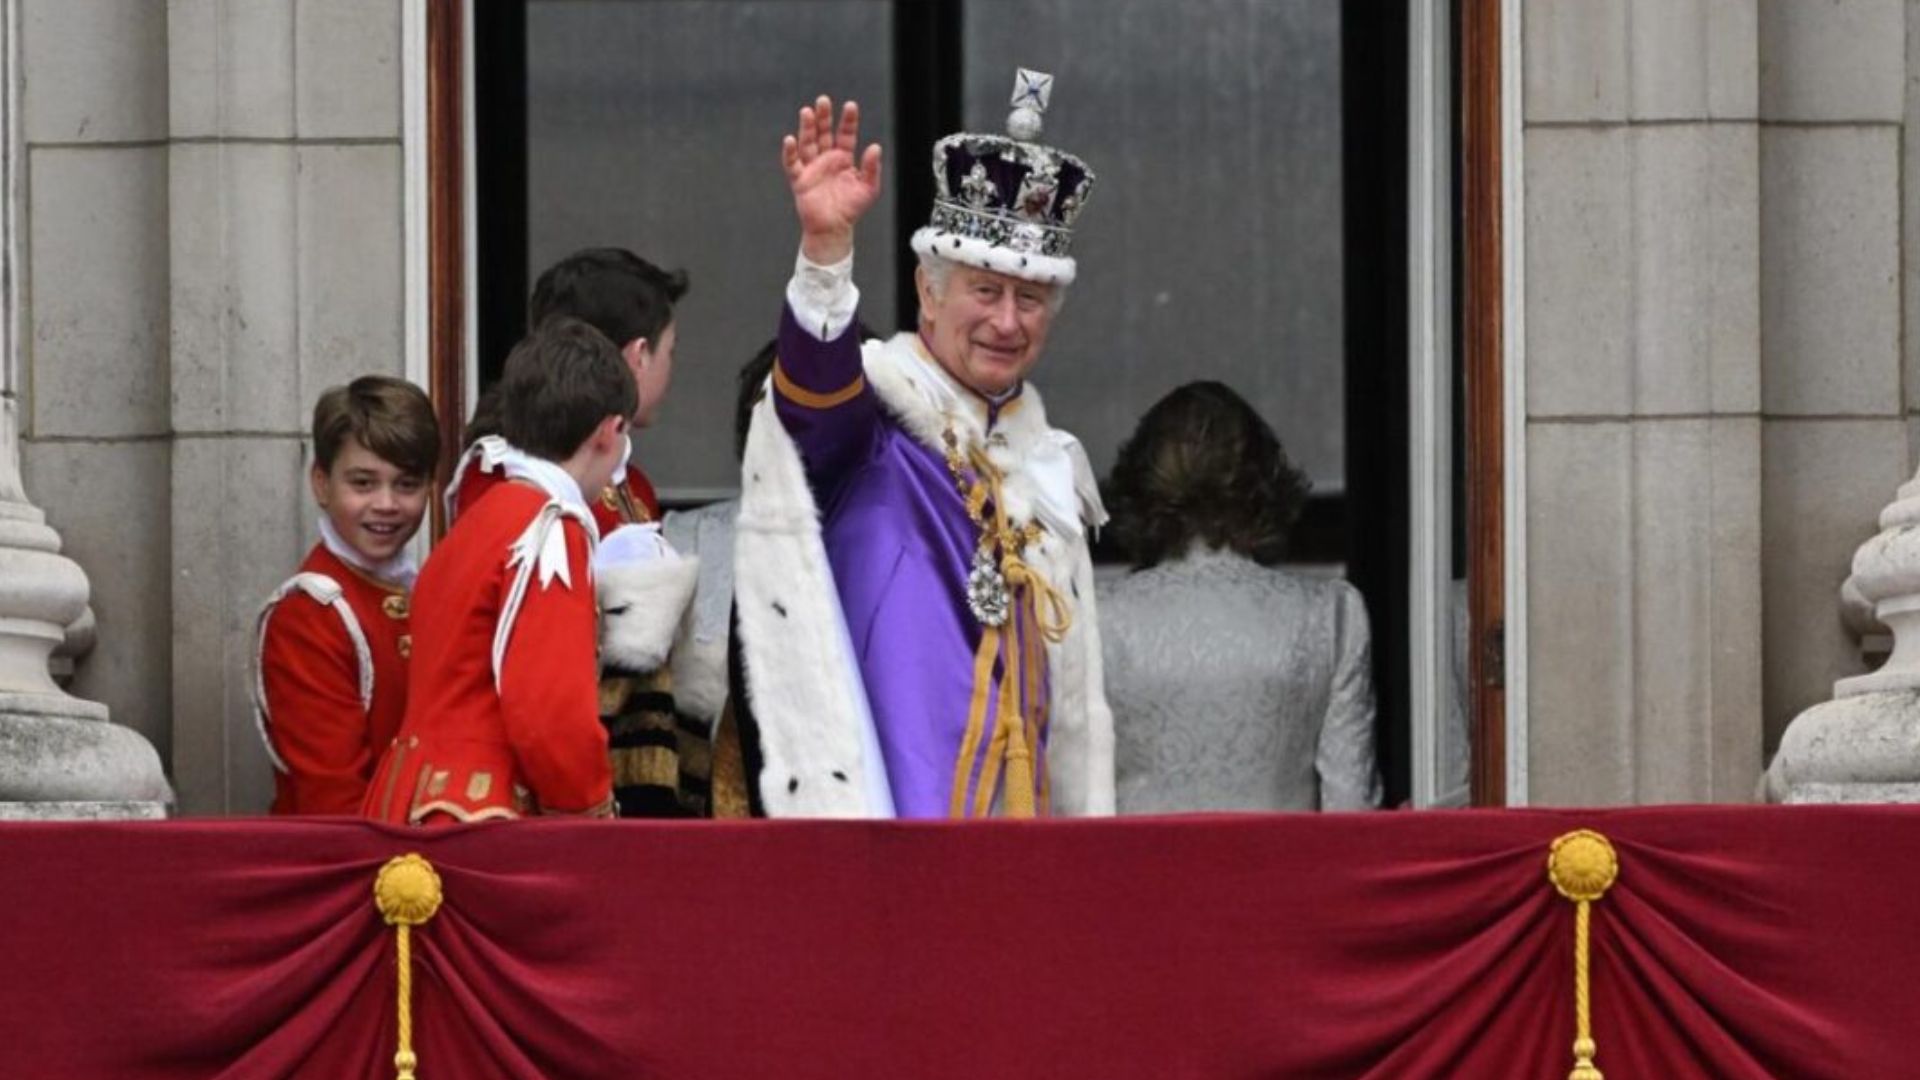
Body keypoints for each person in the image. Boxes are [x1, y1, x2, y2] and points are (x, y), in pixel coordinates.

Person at [734, 72, 1114, 818]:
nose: (1007, 322)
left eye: (1029, 298)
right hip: (892, 851)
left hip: (1025, 854)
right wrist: (824, 254)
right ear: (928, 290)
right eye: (984, 290)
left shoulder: (1050, 468)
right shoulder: (874, 425)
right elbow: (811, 398)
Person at [363, 318, 631, 824]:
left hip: (408, 800)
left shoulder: (479, 514)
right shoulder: (551, 526)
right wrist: (591, 815)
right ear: (608, 433)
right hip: (483, 817)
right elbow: (552, 716)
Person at [1099, 381, 1382, 813]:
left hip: (1133, 881)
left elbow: (1066, 806)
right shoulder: (1329, 616)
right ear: (1265, 482)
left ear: (1142, 484)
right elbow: (1351, 809)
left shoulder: (1094, 618)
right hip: (1289, 880)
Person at [254, 376, 439, 814]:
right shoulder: (308, 614)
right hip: (359, 867)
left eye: (407, 485)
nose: (387, 503)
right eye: (363, 483)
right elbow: (334, 801)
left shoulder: (427, 592)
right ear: (321, 483)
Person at [450, 247, 688, 530]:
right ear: (639, 355)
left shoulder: (634, 486)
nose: (671, 365)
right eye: (670, 351)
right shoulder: (506, 474)